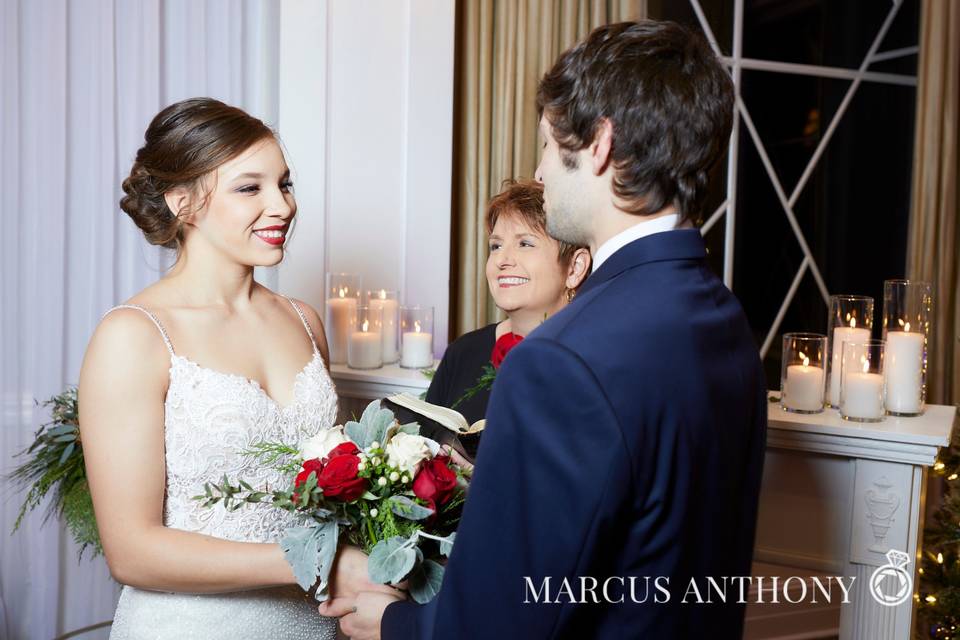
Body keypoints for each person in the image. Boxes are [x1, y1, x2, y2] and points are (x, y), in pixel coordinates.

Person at [323, 20, 768, 639]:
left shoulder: (562, 358)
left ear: (600, 146)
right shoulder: (722, 316)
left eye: (545, 146)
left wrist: (396, 624)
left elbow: (506, 620)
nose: (538, 172)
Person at [78, 98, 389, 639]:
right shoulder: (133, 336)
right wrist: (319, 563)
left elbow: (328, 490)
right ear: (182, 202)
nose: (282, 206)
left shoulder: (303, 320)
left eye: (285, 184)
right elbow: (131, 552)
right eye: (251, 188)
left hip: (312, 626)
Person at [423, 180, 590, 457]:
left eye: (525, 243)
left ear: (575, 267)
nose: (502, 260)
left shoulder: (589, 360)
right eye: (496, 246)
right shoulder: (463, 352)